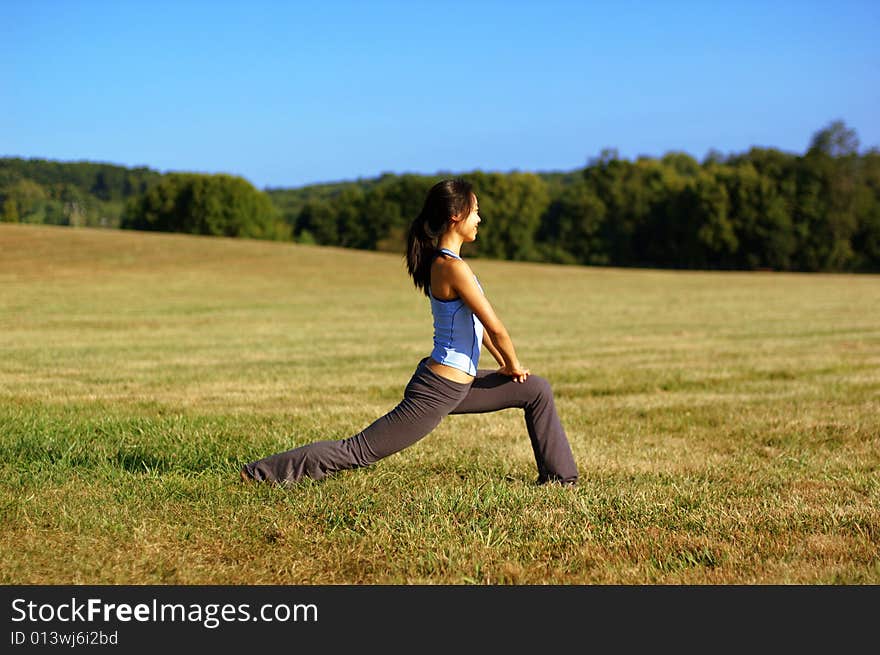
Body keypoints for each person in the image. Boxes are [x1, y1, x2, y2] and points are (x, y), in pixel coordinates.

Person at [240, 178, 578, 486]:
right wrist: (513, 362)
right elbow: (497, 328)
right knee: (358, 451)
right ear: (456, 217)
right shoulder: (451, 267)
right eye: (476, 211)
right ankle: (259, 474)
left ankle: (561, 479)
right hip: (439, 390)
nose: (480, 219)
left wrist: (506, 367)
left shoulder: (450, 265)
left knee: (535, 390)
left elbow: (478, 327)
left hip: (459, 384)